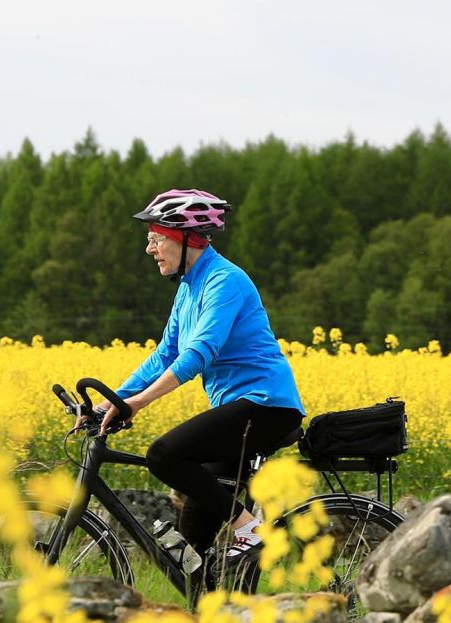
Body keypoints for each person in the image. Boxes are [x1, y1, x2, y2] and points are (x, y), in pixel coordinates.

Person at [96, 188, 304, 563]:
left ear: (185, 239)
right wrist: (112, 400)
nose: (149, 249)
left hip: (266, 407)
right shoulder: (189, 288)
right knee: (190, 554)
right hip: (238, 411)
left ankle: (250, 529)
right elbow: (166, 354)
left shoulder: (225, 281)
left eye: (156, 239)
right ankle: (212, 612)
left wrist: (138, 403)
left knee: (163, 455)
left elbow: (198, 353)